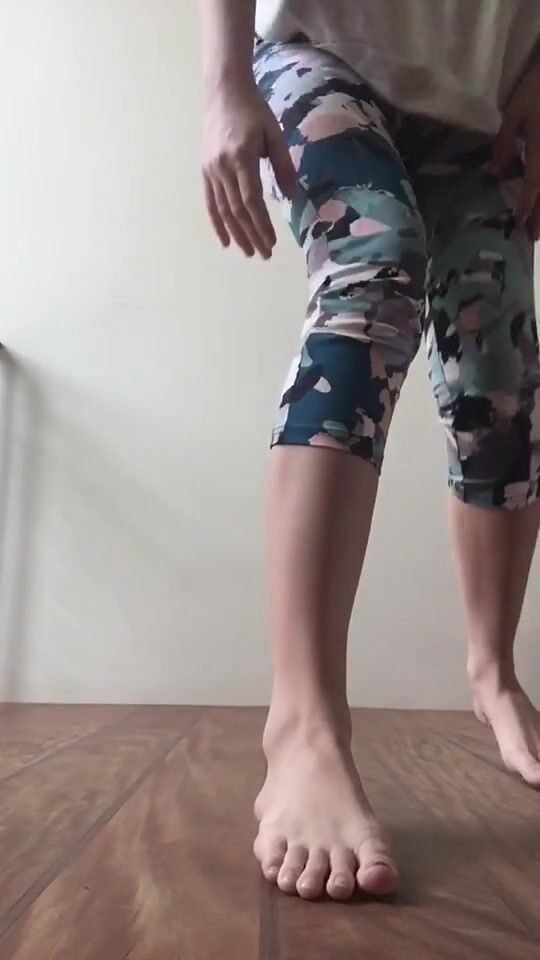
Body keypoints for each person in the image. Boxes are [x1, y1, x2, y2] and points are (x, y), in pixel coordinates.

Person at [200, 0, 540, 902]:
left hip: (484, 95)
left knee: (500, 365)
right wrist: (225, 83)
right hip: (322, 53)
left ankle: (494, 673)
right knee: (373, 272)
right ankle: (303, 725)